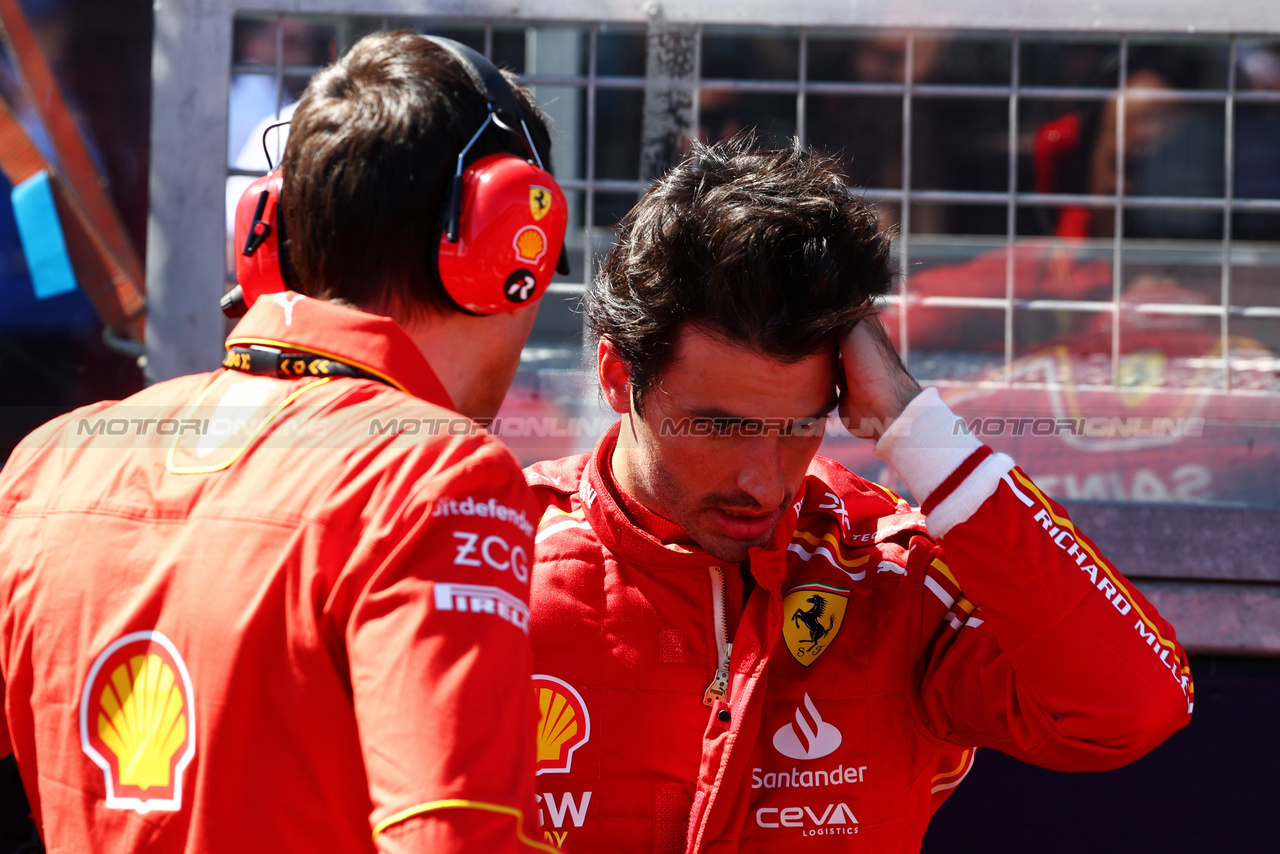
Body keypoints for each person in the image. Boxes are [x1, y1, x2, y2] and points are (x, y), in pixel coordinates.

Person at [524, 137, 1193, 852]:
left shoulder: (883, 572)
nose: (763, 481)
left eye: (801, 426)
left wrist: (916, 424)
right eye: (719, 425)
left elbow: (1134, 709)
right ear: (616, 376)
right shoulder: (496, 560)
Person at [0, 31, 565, 853]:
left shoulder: (49, 460)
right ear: (514, 240)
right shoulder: (436, 477)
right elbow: (453, 837)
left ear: (265, 236)